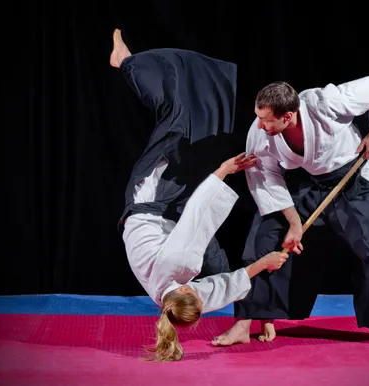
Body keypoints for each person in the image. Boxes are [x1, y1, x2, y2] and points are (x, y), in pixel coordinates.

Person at [212, 75, 369, 349]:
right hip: (308, 184)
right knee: (263, 238)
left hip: (353, 181)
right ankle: (245, 322)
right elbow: (266, 178)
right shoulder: (260, 133)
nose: (260, 125)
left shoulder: (327, 102)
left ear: (288, 116)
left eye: (267, 120)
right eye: (259, 117)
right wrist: (294, 223)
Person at [110, 29, 289, 362]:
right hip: (165, 218)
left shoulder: (179, 264)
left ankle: (126, 63)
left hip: (153, 196)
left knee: (179, 122)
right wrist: (265, 262)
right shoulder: (175, 297)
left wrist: (223, 172)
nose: (199, 291)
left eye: (195, 292)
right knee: (218, 263)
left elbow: (198, 217)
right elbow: (220, 287)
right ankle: (253, 318)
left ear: (185, 291)